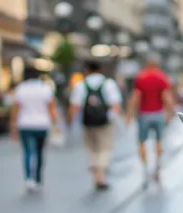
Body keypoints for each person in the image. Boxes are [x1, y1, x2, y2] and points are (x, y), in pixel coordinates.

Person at [68, 61, 123, 190]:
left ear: (87, 71)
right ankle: (100, 174)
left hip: (87, 122)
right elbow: (116, 105)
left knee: (92, 148)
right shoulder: (108, 83)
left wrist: (69, 122)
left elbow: (74, 106)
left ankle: (96, 173)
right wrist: (110, 118)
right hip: (104, 122)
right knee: (104, 148)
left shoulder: (81, 85)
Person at [10, 66, 59, 193]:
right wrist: (56, 124)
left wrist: (13, 126)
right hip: (42, 124)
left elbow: (15, 109)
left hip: (25, 124)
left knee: (27, 152)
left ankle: (28, 178)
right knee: (39, 152)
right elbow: (51, 108)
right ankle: (38, 178)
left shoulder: (21, 89)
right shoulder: (45, 89)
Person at [127, 54, 174, 183]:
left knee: (142, 141)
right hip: (158, 114)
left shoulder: (140, 77)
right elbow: (166, 97)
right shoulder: (162, 77)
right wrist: (171, 112)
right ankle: (157, 168)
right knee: (159, 141)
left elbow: (136, 97)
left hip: (144, 115)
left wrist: (130, 113)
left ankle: (145, 167)